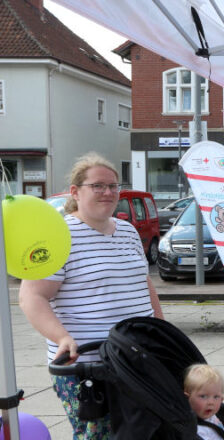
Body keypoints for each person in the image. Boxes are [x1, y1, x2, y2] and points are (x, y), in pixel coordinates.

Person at [19, 153, 163, 439]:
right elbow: (32, 296)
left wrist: (162, 333)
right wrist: (61, 338)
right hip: (88, 366)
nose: (108, 192)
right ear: (75, 191)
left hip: (137, 360)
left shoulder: (127, 231)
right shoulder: (56, 237)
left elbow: (144, 285)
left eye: (113, 186)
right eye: (98, 186)